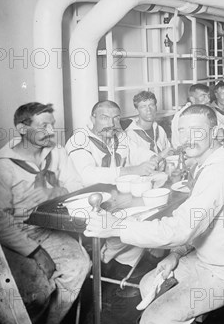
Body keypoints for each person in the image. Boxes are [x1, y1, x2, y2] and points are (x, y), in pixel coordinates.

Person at [85, 105, 224, 324]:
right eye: (183, 131)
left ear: (214, 133)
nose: (188, 138)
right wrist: (176, 255)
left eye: (197, 130)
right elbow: (202, 224)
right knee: (148, 284)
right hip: (210, 259)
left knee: (153, 319)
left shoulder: (219, 171)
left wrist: (116, 227)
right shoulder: (207, 162)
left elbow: (181, 229)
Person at [0, 103, 90, 324]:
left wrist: (54, 191)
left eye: (52, 125)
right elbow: (0, 224)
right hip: (13, 238)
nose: (51, 132)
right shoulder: (0, 167)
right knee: (37, 293)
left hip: (45, 228)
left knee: (79, 265)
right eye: (43, 126)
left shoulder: (57, 152)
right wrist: (36, 253)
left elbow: (76, 185)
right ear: (22, 129)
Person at [65, 100, 158, 266]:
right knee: (131, 222)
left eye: (116, 118)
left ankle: (127, 261)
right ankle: (108, 259)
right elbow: (88, 176)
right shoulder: (79, 140)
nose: (112, 124)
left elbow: (139, 153)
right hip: (86, 204)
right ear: (92, 119)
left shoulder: (119, 135)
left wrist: (153, 159)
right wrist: (133, 170)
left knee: (150, 213)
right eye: (105, 118)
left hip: (115, 199)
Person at [125, 91, 171, 158]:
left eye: (151, 105)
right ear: (136, 110)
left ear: (156, 107)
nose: (148, 110)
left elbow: (168, 152)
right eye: (143, 106)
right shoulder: (130, 135)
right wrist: (160, 156)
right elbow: (133, 163)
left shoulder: (160, 130)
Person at [170, 83, 211, 148]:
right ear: (192, 99)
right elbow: (181, 144)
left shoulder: (204, 112)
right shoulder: (182, 116)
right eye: (203, 96)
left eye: (208, 96)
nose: (208, 100)